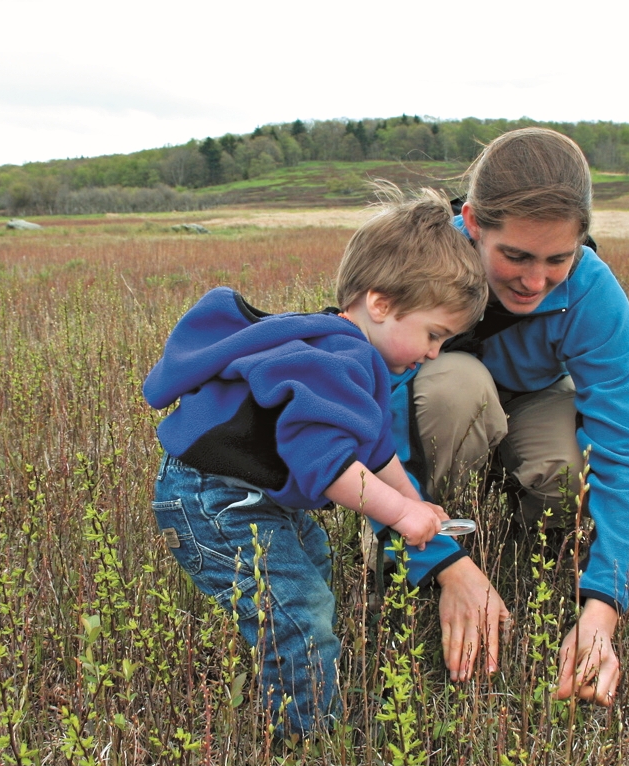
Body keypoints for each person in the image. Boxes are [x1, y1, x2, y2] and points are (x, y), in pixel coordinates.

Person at [143, 189, 493, 736]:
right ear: (380, 305)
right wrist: (400, 517)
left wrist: (415, 501)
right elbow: (327, 469)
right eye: (433, 334)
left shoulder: (354, 359)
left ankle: (302, 680)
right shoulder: (341, 360)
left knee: (313, 559)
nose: (434, 354)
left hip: (243, 494)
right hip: (212, 498)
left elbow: (376, 453)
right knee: (297, 616)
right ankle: (309, 740)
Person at [412, 127, 629, 706]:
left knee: (561, 470)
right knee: (457, 391)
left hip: (534, 396)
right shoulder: (422, 263)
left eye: (559, 258)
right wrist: (447, 564)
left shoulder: (594, 294)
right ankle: (425, 537)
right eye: (516, 256)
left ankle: (533, 540)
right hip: (447, 395)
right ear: (473, 223)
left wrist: (602, 612)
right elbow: (367, 427)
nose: (535, 281)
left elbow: (628, 453)